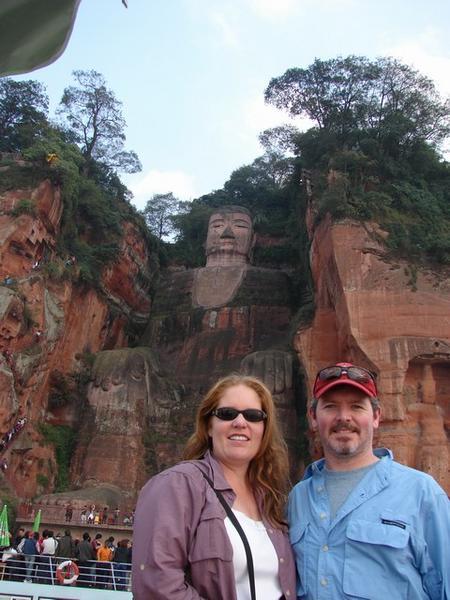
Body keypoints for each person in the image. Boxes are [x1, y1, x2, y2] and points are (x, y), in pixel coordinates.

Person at [288, 361, 450, 600]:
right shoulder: (298, 499)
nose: (344, 417)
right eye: (331, 407)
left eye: (356, 407)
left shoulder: (422, 493)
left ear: (376, 416)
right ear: (313, 417)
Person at [132, 374, 296, 600]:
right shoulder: (179, 484)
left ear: (264, 429)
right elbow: (157, 586)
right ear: (209, 426)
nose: (240, 422)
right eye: (227, 414)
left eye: (253, 415)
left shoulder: (271, 498)